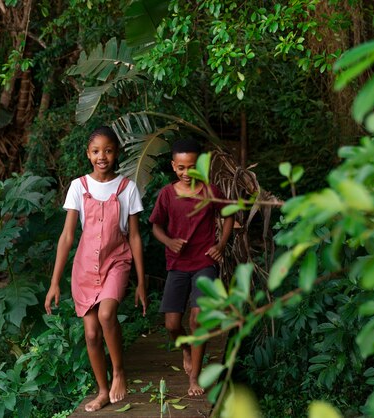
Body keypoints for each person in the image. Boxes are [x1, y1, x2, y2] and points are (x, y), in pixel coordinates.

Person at [44, 126, 147, 412]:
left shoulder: (127, 188)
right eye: (96, 151)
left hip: (117, 262)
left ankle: (119, 371)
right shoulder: (79, 187)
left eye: (109, 150)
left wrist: (140, 281)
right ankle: (102, 390)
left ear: (116, 153)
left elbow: (135, 237)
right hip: (85, 268)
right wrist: (55, 283)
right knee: (90, 334)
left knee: (106, 314)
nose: (103, 156)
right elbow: (67, 237)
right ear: (88, 155)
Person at [149, 138, 235, 397]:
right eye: (182, 168)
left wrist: (220, 244)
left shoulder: (210, 191)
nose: (187, 173)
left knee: (198, 319)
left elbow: (228, 215)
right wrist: (169, 241)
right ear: (174, 167)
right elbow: (156, 226)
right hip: (177, 265)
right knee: (172, 325)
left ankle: (194, 378)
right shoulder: (167, 194)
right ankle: (185, 348)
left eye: (193, 167)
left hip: (204, 264)